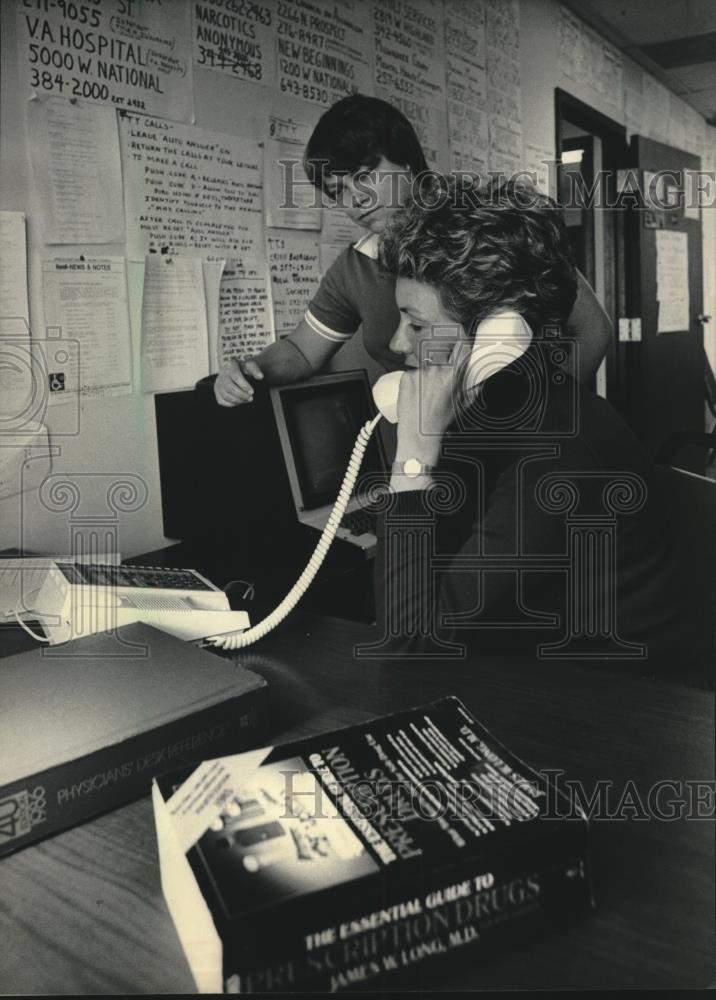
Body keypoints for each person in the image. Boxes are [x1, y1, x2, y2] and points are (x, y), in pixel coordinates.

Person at [369, 176, 682, 667]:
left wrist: (411, 461)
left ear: (499, 335)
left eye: (417, 324)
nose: (397, 345)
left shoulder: (559, 455)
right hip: (534, 675)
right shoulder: (504, 411)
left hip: (605, 715)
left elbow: (409, 652)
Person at [213, 94, 612, 411]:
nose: (356, 201)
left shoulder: (484, 226)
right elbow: (302, 350)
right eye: (339, 192)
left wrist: (540, 411)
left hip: (523, 437)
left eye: (364, 177)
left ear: (405, 158)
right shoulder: (356, 266)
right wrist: (251, 369)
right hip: (434, 445)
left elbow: (592, 329)